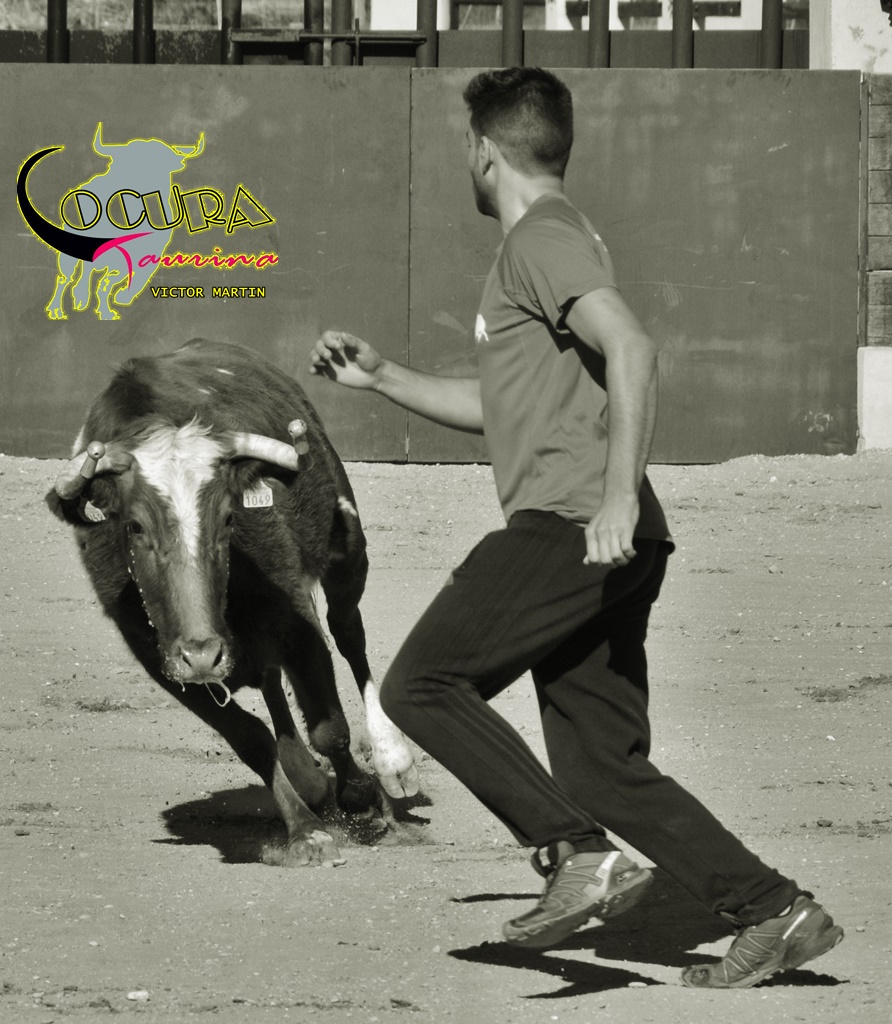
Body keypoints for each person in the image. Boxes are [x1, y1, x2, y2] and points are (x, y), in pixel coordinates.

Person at [309, 67, 843, 989]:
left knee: (421, 684)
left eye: (466, 147)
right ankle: (774, 911)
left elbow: (632, 345)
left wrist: (617, 496)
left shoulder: (540, 240)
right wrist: (385, 377)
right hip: (608, 535)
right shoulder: (557, 240)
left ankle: (574, 853)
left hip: (575, 522)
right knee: (600, 767)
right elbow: (503, 407)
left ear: (484, 151)